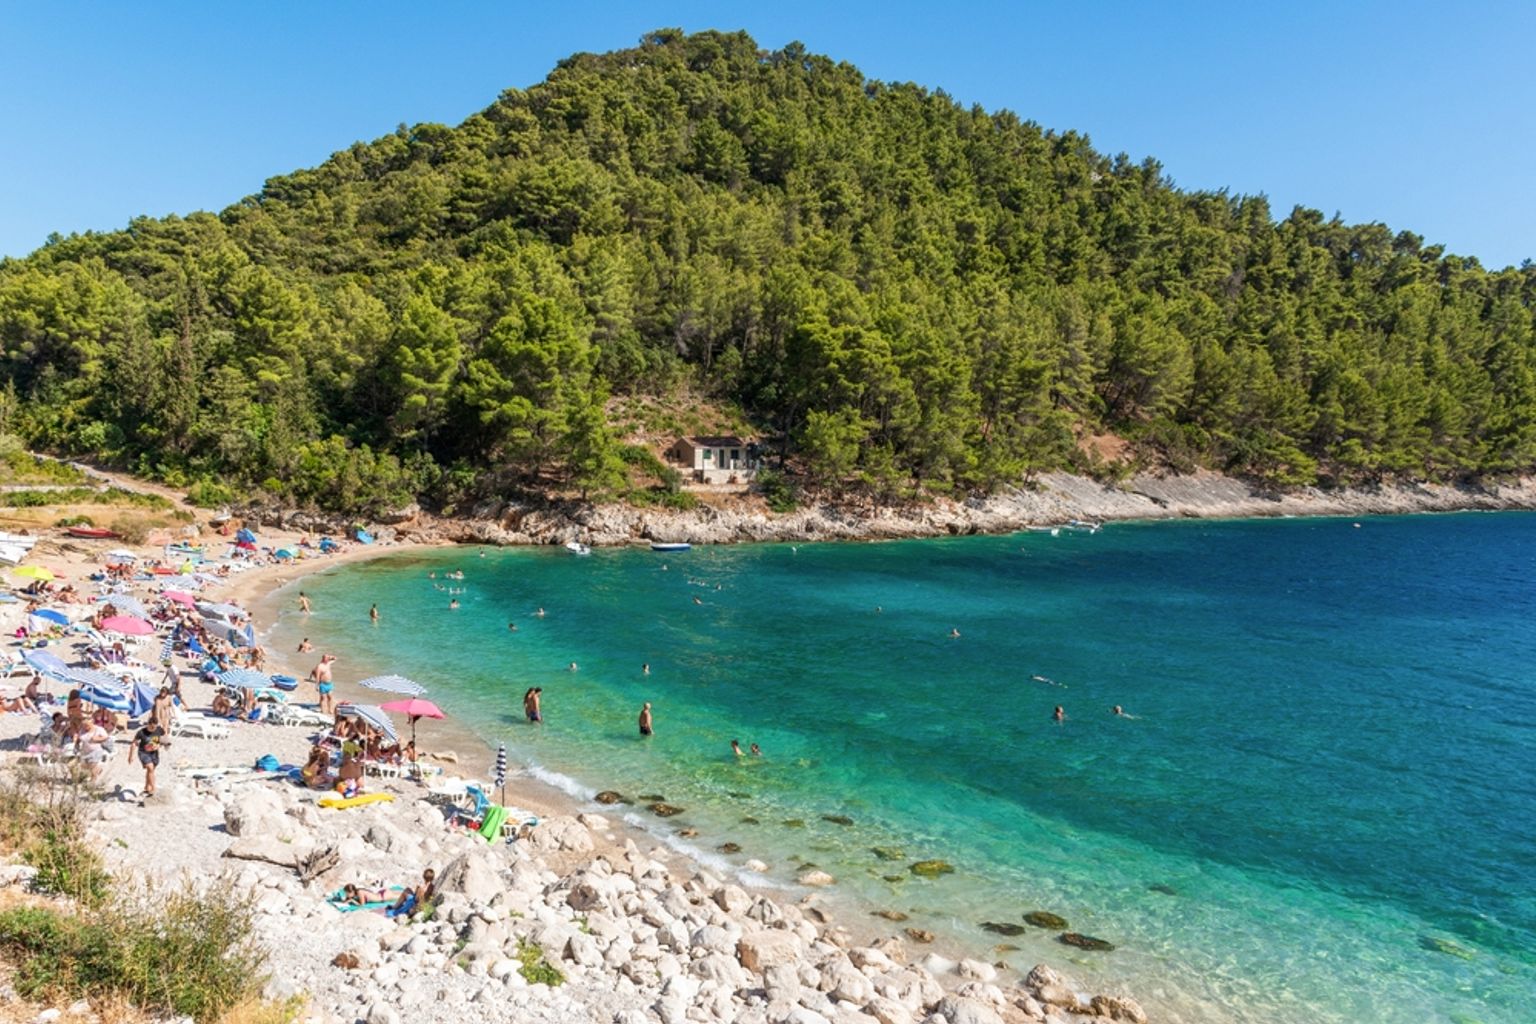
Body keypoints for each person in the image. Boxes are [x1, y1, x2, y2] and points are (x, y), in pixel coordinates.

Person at [129, 718, 165, 797]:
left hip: (154, 753)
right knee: (150, 768)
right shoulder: (141, 732)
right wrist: (130, 756)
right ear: (148, 724)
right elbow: (134, 743)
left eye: (154, 727)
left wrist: (159, 745)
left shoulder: (159, 730)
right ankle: (153, 788)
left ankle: (147, 787)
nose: (153, 729)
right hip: (143, 752)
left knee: (150, 771)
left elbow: (164, 740)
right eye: (151, 727)